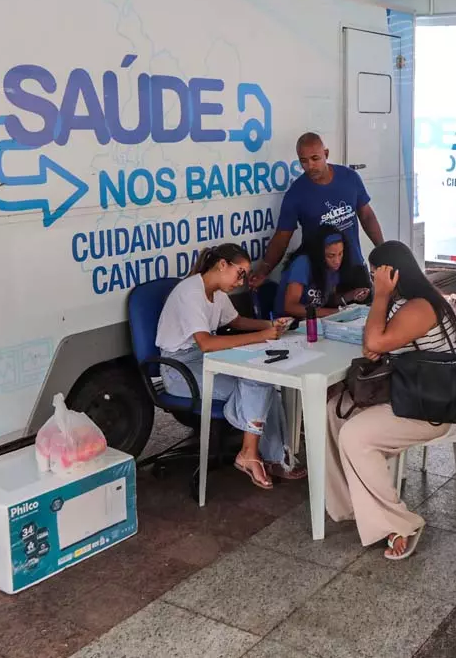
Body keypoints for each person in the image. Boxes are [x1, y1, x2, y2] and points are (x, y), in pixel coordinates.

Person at [325, 241, 456, 560]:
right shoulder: (404, 303)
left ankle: (401, 523)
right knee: (333, 410)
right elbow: (373, 344)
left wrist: (381, 297)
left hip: (431, 406)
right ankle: (351, 504)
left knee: (355, 435)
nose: (373, 279)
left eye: (377, 274)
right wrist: (379, 332)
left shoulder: (419, 306)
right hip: (409, 393)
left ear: (392, 275)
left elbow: (374, 341)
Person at [156, 244, 306, 489]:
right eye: (240, 273)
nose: (241, 281)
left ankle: (273, 457)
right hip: (179, 369)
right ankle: (250, 454)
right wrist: (262, 336)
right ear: (222, 264)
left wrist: (269, 325)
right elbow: (205, 343)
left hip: (206, 360)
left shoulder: (216, 292)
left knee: (263, 381)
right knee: (256, 383)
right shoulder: (190, 293)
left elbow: (236, 321)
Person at [249, 132, 385, 288]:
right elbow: (281, 238)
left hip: (354, 267)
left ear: (326, 154)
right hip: (320, 275)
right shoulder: (296, 194)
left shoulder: (350, 178)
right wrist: (263, 270)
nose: (310, 166)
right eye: (303, 161)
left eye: (315, 158)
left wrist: (382, 249)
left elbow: (367, 216)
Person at [274, 226, 372, 319]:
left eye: (340, 254)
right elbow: (290, 307)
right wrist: (336, 312)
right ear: (319, 253)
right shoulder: (303, 263)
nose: (337, 261)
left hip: (316, 321)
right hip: (290, 324)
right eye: (331, 256)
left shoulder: (335, 266)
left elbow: (328, 299)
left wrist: (352, 295)